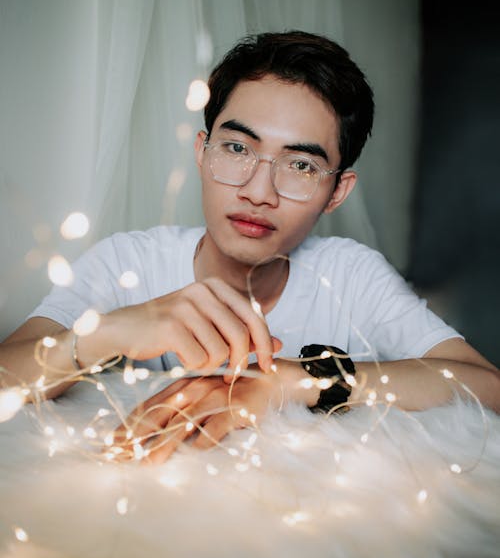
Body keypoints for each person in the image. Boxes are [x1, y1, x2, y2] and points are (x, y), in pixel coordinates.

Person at [1, 31, 498, 463]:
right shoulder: (128, 261)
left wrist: (297, 381)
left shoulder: (351, 274)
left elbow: (487, 386)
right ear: (202, 152)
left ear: (337, 192)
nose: (259, 192)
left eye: (300, 165)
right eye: (237, 149)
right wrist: (105, 333)